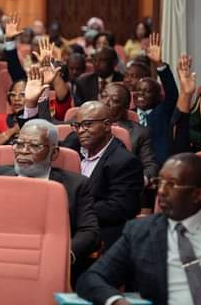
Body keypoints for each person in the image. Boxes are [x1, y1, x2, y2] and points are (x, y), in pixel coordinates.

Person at [76, 153, 201, 305]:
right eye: (159, 183)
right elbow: (91, 278)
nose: (161, 192)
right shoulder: (139, 233)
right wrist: (117, 301)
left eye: (172, 185)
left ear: (197, 194)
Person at [0, 119, 100, 281]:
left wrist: (63, 254)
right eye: (19, 144)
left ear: (54, 153)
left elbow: (89, 231)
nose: (23, 151)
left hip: (48, 266)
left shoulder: (76, 185)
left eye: (34, 146)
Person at [64, 101, 144, 249]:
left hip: (99, 228)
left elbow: (120, 207)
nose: (81, 130)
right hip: (63, 224)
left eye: (87, 124)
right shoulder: (73, 143)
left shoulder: (125, 162)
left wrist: (74, 211)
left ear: (107, 125)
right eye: (77, 125)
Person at [98, 82, 158, 183]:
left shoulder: (140, 132)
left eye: (115, 100)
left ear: (125, 107)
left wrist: (134, 182)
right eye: (103, 96)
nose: (106, 102)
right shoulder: (82, 125)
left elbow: (150, 166)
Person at [134, 33, 179, 166]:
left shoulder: (162, 112)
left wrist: (159, 64)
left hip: (159, 165)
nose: (141, 94)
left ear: (158, 96)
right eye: (138, 90)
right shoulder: (128, 114)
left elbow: (172, 93)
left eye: (147, 91)